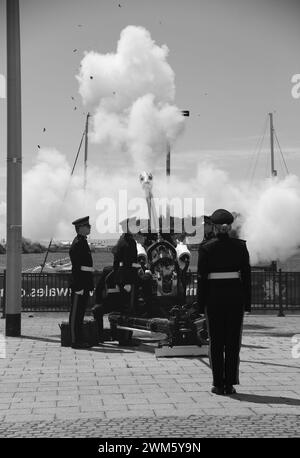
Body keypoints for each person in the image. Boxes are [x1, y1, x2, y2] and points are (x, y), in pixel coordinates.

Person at [197, 209, 251, 395]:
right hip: (235, 298)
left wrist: (199, 304)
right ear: (228, 227)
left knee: (216, 342)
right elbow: (246, 276)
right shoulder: (240, 246)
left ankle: (218, 383)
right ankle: (230, 383)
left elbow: (201, 278)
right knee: (233, 342)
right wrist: (248, 303)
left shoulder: (206, 248)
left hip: (213, 299)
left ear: (214, 227)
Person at [69, 216, 94, 349]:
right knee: (76, 313)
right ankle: (74, 340)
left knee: (80, 313)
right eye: (87, 226)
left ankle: (79, 339)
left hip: (84, 282)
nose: (90, 227)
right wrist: (79, 286)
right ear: (80, 228)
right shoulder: (78, 243)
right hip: (79, 283)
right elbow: (77, 266)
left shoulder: (83, 242)